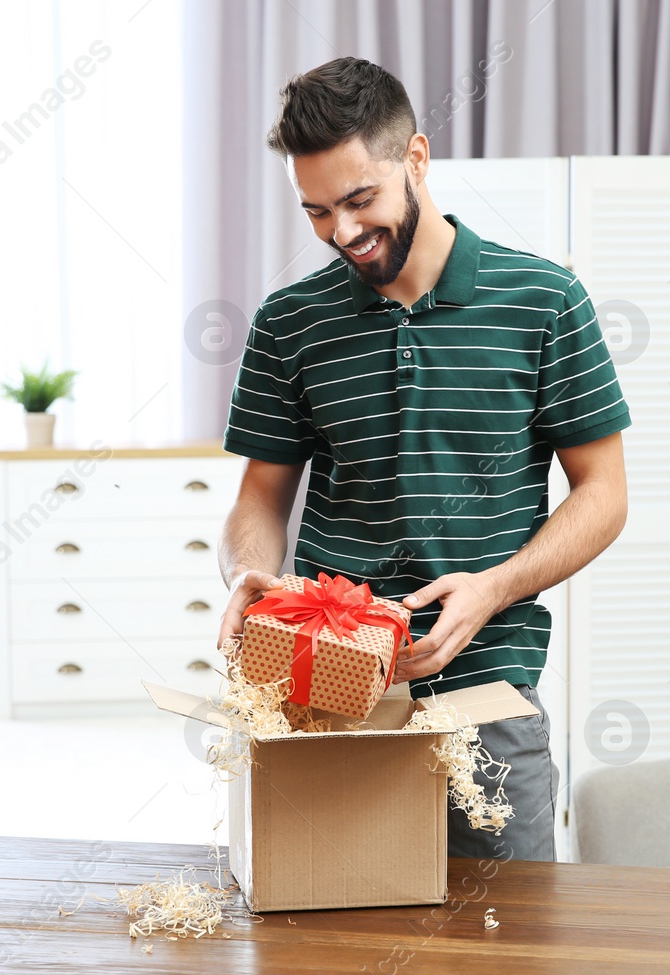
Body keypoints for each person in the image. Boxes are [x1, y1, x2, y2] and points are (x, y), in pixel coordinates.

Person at [215, 56, 629, 863]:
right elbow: (258, 502)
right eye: (316, 211)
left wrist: (496, 587)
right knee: (324, 955)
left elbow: (604, 494)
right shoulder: (288, 323)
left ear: (417, 158)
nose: (342, 232)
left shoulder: (544, 301)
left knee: (507, 969)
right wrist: (246, 575)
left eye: (360, 199)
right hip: (328, 700)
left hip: (487, 698)